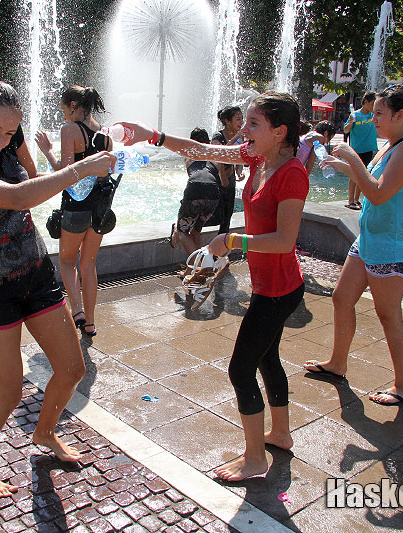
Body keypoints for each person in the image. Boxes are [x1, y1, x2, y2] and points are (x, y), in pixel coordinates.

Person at [0, 78, 115, 498]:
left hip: (35, 269)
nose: (0, 141)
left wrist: (45, 162)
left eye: (10, 132)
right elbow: (15, 197)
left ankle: (44, 433)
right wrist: (81, 167)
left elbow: (32, 180)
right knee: (9, 390)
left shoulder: (11, 142)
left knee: (72, 368)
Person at [121, 91, 309, 481]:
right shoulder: (257, 157)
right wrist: (152, 135)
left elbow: (285, 241)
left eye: (254, 123)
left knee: (241, 370)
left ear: (280, 132)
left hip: (279, 289)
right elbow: (200, 148)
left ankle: (255, 458)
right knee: (267, 358)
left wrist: (231, 241)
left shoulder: (292, 173)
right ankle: (282, 434)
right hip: (269, 285)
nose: (244, 129)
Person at [303, 85, 403, 406]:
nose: (373, 119)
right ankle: (338, 363)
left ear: (400, 116)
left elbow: (377, 193)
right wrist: (342, 165)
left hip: (393, 246)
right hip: (371, 239)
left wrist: (351, 157)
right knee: (342, 297)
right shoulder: (392, 146)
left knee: (389, 316)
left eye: (378, 114)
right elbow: (369, 182)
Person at [36, 86, 112, 337]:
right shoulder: (104, 133)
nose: (63, 115)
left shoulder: (70, 130)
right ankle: (90, 323)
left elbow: (67, 175)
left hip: (76, 208)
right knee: (88, 264)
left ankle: (77, 310)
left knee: (68, 262)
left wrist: (47, 150)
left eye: (63, 109)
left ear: (72, 105)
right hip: (99, 211)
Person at [170, 128, 221, 255]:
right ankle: (195, 269)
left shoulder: (189, 156)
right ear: (208, 141)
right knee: (196, 231)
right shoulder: (214, 157)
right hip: (214, 193)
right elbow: (220, 179)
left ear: (191, 141)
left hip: (195, 189)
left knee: (182, 231)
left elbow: (193, 177)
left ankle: (199, 265)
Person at [211, 105, 245, 233]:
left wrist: (239, 171)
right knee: (214, 214)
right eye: (238, 119)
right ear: (227, 121)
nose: (241, 122)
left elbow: (239, 156)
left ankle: (222, 249)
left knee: (227, 215)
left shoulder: (240, 137)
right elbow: (220, 153)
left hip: (230, 180)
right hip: (216, 179)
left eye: (242, 119)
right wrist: (236, 138)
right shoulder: (218, 136)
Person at [342, 91, 378, 209]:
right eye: (373, 103)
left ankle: (357, 199)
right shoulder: (355, 115)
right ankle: (350, 200)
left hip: (368, 149)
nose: (375, 106)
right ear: (366, 101)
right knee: (353, 175)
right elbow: (346, 130)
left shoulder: (374, 115)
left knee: (363, 175)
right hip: (356, 150)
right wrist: (351, 122)